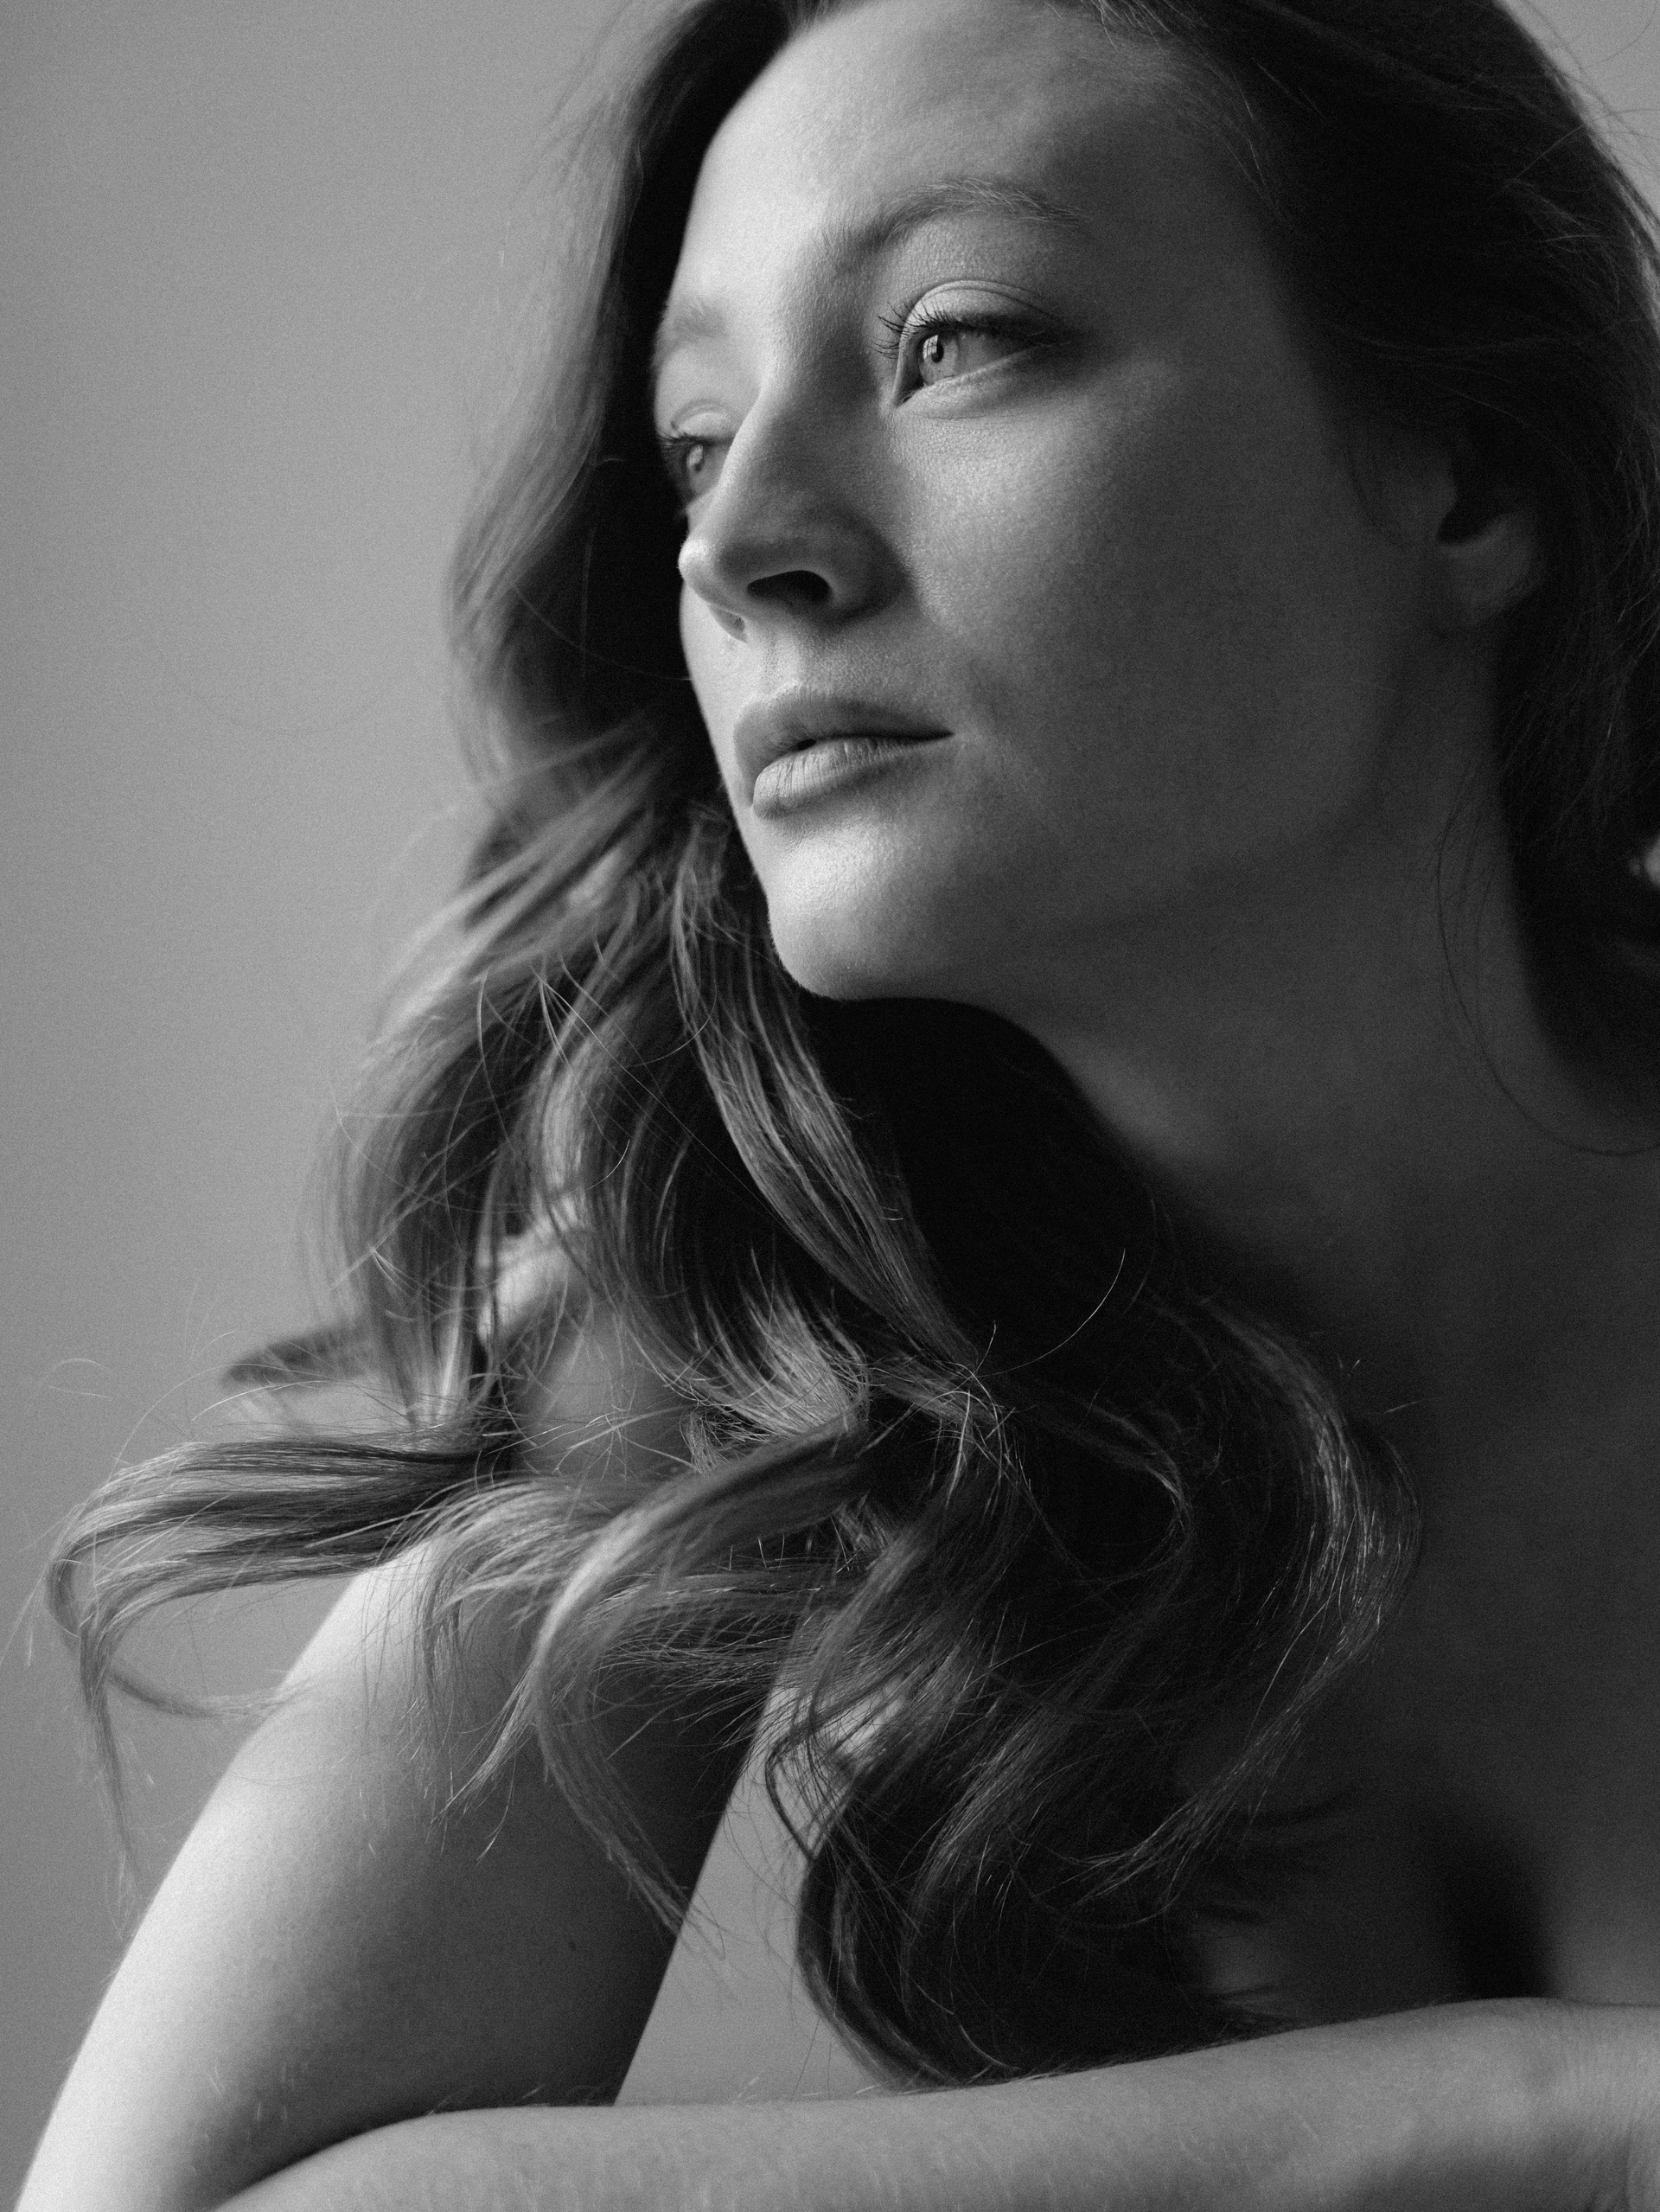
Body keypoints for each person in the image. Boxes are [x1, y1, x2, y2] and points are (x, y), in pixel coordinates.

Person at [23, 0, 1660, 2202]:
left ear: (1469, 476)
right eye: (697, 444)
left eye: (951, 341)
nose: (742, 544)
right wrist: (1545, 2113)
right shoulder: (740, 1285)